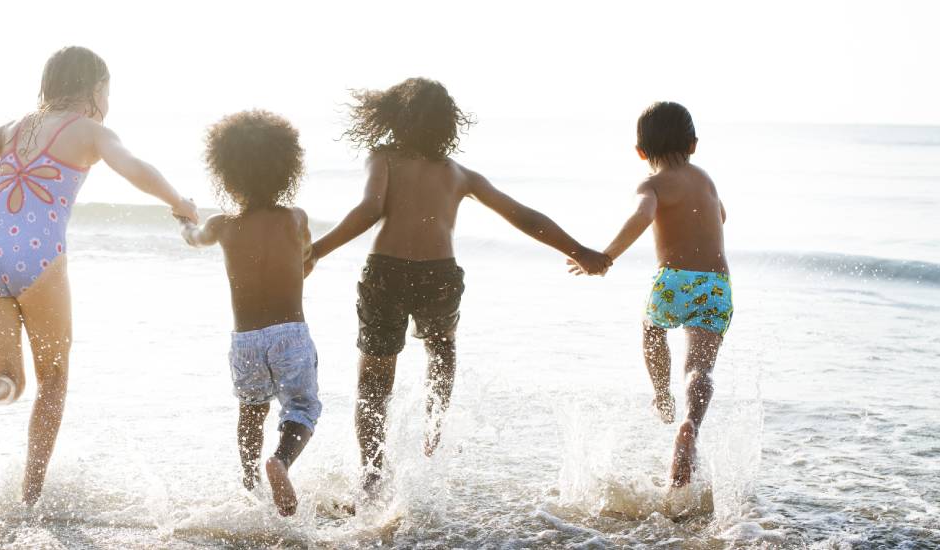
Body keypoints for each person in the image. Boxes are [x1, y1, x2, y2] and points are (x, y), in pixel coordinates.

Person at [305, 78, 610, 495]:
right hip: (439, 275)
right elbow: (522, 215)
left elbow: (370, 208)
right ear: (448, 124)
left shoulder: (384, 157)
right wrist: (578, 249)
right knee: (442, 349)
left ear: (396, 116)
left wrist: (318, 250)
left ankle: (372, 474)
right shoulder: (459, 174)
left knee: (375, 379)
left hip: (387, 272)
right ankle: (433, 430)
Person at [0, 46, 200, 505]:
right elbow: (135, 168)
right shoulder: (91, 131)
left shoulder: (15, 128)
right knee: (52, 380)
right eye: (108, 89)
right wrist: (180, 203)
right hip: (38, 259)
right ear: (95, 89)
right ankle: (30, 495)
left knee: (8, 377)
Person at [572, 101, 731, 489]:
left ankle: (662, 397)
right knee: (700, 367)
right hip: (714, 284)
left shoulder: (652, 185)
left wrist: (606, 256)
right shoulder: (706, 179)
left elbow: (642, 216)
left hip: (672, 280)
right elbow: (722, 215)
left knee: (652, 329)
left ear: (640, 152)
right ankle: (690, 423)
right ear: (693, 144)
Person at [180, 110, 319, 516]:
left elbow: (193, 238)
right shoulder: (296, 218)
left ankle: (249, 486)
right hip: (290, 334)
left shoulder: (222, 225)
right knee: (302, 409)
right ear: (286, 168)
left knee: (251, 411)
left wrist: (185, 220)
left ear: (225, 173)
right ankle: (281, 461)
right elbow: (305, 258)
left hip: (245, 341)